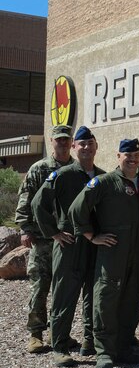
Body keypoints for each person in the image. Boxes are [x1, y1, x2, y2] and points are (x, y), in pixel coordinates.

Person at [68, 138, 139, 368]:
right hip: (112, 251)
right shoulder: (104, 182)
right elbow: (77, 209)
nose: (133, 159)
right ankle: (104, 352)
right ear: (118, 156)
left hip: (137, 252)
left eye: (136, 155)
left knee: (132, 299)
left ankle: (124, 347)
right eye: (128, 155)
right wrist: (90, 236)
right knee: (106, 299)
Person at [31, 126, 104, 366]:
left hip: (94, 245)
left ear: (96, 147)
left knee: (92, 296)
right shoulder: (62, 175)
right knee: (64, 296)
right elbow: (37, 203)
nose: (86, 148)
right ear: (75, 147)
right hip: (69, 245)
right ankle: (59, 346)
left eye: (89, 143)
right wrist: (53, 233)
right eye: (81, 144)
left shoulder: (102, 177)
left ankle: (88, 341)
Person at [15, 124, 74, 353]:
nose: (63, 143)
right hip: (41, 239)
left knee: (63, 289)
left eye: (66, 139)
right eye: (59, 139)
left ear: (71, 142)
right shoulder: (40, 168)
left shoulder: (76, 169)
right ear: (52, 142)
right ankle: (35, 334)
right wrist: (25, 229)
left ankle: (59, 333)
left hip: (67, 240)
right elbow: (26, 200)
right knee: (40, 286)